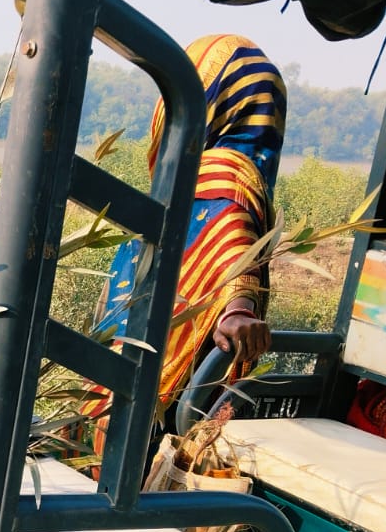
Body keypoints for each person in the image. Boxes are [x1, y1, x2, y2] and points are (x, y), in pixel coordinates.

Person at [82, 34, 285, 445]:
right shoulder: (211, 173)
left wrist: (238, 309)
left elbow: (234, 239)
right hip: (166, 376)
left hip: (160, 383)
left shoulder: (218, 172)